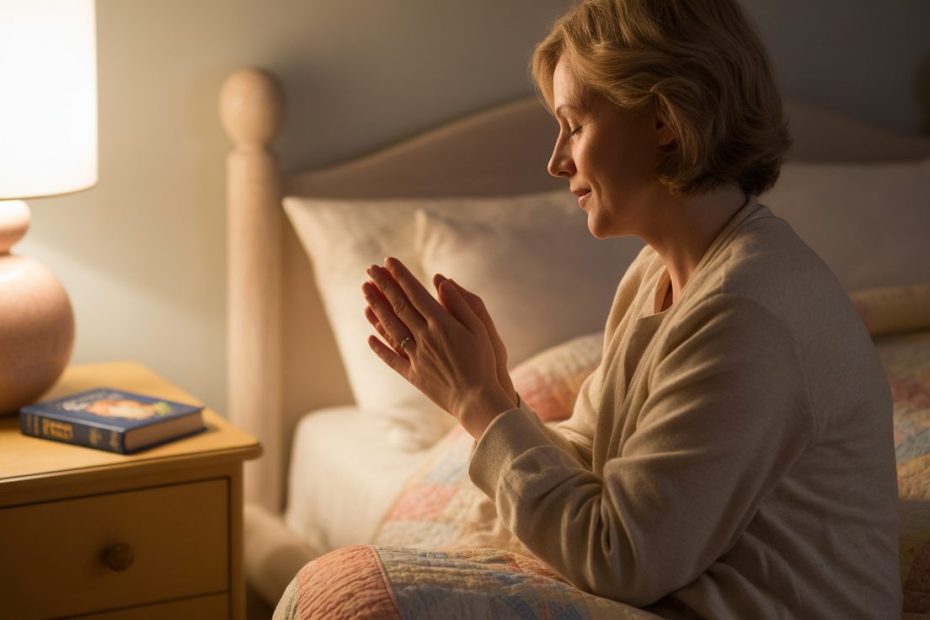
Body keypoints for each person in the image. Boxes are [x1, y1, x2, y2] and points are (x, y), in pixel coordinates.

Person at [361, 0, 900, 617]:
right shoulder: (657, 276)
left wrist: (477, 403)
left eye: (575, 125)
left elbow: (620, 557)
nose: (557, 160)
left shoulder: (744, 313)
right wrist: (494, 396)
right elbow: (597, 465)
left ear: (665, 120)